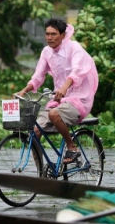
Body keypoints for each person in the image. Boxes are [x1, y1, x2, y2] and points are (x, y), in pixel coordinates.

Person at [15, 18, 99, 164]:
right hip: (59, 100)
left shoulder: (74, 47)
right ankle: (41, 175)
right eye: (47, 34)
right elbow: (37, 76)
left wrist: (65, 87)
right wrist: (23, 90)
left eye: (53, 34)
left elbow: (77, 70)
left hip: (79, 100)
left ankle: (72, 147)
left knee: (54, 114)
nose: (49, 37)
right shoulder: (47, 52)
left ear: (63, 35)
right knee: (34, 131)